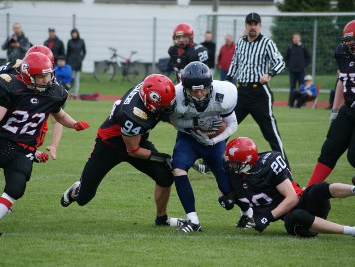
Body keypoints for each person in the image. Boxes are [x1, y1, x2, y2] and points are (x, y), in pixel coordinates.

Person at [0, 52, 90, 236]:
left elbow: (58, 114)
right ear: (28, 75)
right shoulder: (11, 87)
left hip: (22, 150)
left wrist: (74, 124)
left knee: (16, 187)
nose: (46, 79)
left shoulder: (54, 93)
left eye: (48, 74)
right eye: (41, 76)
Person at [60, 74, 180, 227]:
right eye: (163, 107)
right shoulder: (133, 114)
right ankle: (76, 189)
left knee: (165, 177)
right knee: (84, 198)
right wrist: (162, 157)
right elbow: (133, 150)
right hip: (110, 146)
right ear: (149, 103)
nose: (167, 109)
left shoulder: (149, 91)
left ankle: (162, 219)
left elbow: (166, 115)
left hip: (136, 138)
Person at [224, 137, 355, 238]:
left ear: (248, 160)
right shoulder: (234, 175)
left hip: (299, 202)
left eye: (235, 163)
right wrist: (224, 197)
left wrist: (268, 217)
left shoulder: (268, 165)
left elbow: (293, 198)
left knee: (317, 189)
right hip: (294, 221)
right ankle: (353, 231)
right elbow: (225, 186)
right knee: (298, 216)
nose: (231, 166)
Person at [169, 61, 238, 232]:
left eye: (203, 89)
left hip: (214, 140)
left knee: (228, 199)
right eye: (194, 90)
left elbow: (232, 125)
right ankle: (193, 220)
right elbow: (175, 121)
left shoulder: (224, 92)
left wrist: (213, 141)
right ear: (185, 89)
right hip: (189, 137)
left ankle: (248, 213)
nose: (199, 94)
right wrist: (196, 123)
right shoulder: (176, 95)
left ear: (210, 86)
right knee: (178, 168)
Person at [226, 12, 289, 169]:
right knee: (225, 127)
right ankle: (211, 162)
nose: (252, 27)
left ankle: (284, 167)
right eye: (250, 24)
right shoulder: (240, 42)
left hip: (259, 93)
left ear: (260, 26)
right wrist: (226, 84)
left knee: (271, 133)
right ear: (246, 26)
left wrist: (270, 74)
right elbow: (234, 64)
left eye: (255, 24)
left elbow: (280, 62)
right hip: (241, 93)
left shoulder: (267, 43)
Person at [306, 20, 355, 187]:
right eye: (348, 40)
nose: (350, 43)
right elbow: (342, 81)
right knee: (329, 149)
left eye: (353, 39)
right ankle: (308, 191)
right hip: (349, 109)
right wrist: (335, 110)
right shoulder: (342, 52)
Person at [285, 33, 311, 107]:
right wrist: (288, 65)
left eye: (297, 38)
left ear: (300, 39)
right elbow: (286, 58)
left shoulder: (303, 47)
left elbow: (308, 57)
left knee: (302, 87)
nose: (295, 39)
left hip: (301, 71)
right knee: (292, 87)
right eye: (294, 38)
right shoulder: (290, 47)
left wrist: (304, 65)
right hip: (292, 71)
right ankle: (291, 103)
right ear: (292, 39)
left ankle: (301, 103)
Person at [66, 28, 86, 99]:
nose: (74, 34)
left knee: (77, 78)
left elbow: (84, 51)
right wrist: (67, 62)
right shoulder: (69, 41)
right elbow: (67, 52)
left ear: (77, 33)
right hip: (70, 62)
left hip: (78, 62)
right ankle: (69, 92)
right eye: (73, 33)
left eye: (75, 33)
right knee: (71, 78)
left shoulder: (81, 41)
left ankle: (75, 93)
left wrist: (81, 59)